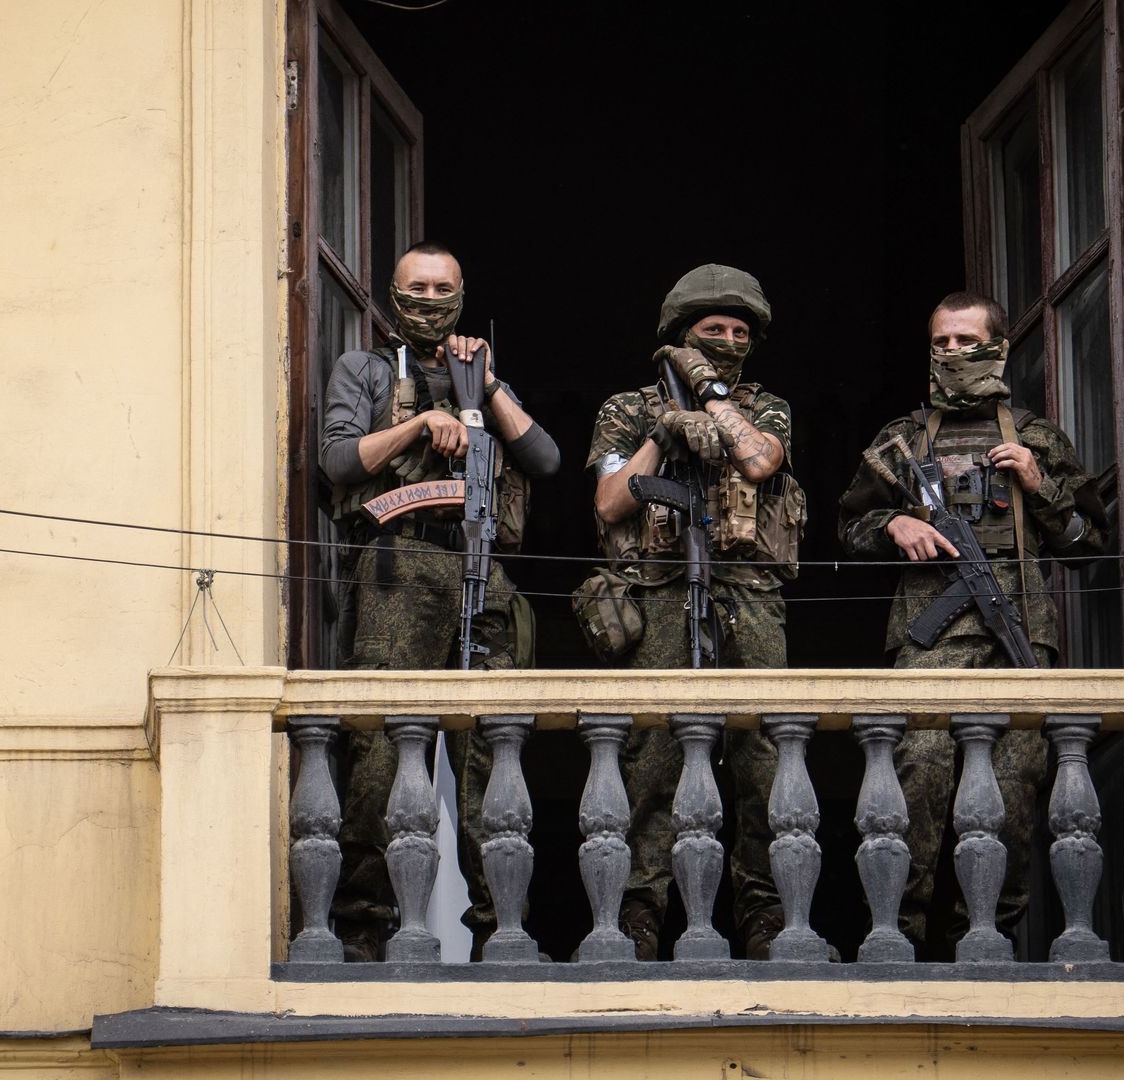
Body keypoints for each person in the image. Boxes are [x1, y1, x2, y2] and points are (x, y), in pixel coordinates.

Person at [837, 290, 1110, 953]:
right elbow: (849, 526)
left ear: (998, 347)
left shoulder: (1037, 437)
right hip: (930, 641)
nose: (953, 353)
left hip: (1018, 641)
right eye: (942, 343)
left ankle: (983, 941)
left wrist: (1039, 482)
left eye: (966, 341)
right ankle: (895, 938)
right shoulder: (902, 440)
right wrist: (895, 523)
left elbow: (1088, 548)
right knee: (915, 784)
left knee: (1012, 802)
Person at [318, 241, 561, 961]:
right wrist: (422, 423)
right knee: (383, 750)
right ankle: (365, 927)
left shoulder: (480, 373)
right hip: (400, 564)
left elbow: (542, 459)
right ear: (393, 297)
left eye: (442, 287)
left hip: (480, 566)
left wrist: (480, 385)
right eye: (415, 287)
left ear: (462, 294)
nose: (429, 298)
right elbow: (335, 461)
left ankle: (502, 929)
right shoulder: (363, 370)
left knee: (495, 748)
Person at [581, 263, 807, 960]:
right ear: (681, 334)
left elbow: (761, 461)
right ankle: (640, 916)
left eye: (742, 331)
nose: (730, 340)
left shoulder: (765, 406)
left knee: (761, 761)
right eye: (713, 331)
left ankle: (766, 916)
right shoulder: (626, 409)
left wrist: (711, 397)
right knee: (651, 760)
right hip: (657, 599)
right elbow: (611, 502)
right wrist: (667, 431)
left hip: (749, 600)